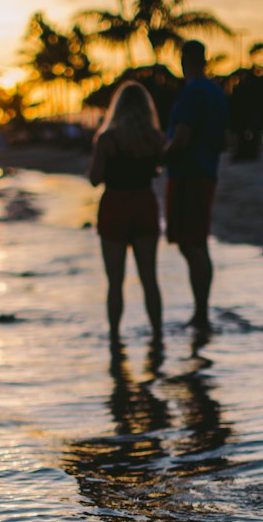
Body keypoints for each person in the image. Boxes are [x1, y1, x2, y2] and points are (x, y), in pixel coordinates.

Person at [88, 81, 164, 344]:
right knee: (149, 278)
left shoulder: (107, 139)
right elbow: (157, 170)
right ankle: (157, 335)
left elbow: (95, 179)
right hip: (144, 205)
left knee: (115, 282)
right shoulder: (153, 138)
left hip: (115, 207)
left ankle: (115, 339)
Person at [164, 40, 228, 329]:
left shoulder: (192, 92)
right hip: (207, 171)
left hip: (188, 173)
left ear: (184, 60)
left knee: (191, 244)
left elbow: (182, 137)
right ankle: (201, 311)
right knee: (198, 242)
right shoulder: (216, 92)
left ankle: (201, 313)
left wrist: (157, 157)